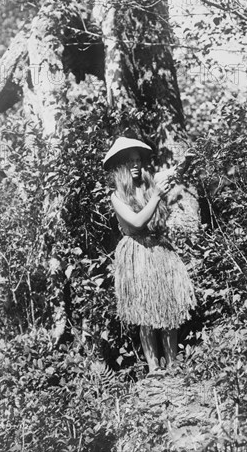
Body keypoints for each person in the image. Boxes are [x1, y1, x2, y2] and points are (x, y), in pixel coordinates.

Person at [103, 137, 196, 376]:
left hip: (158, 249)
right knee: (145, 311)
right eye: (129, 161)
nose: (135, 165)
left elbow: (172, 173)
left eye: (137, 160)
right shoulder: (117, 196)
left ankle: (174, 363)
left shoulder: (149, 183)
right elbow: (135, 222)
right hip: (137, 252)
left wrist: (186, 161)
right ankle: (154, 368)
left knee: (168, 308)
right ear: (120, 166)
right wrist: (155, 196)